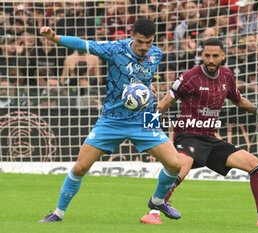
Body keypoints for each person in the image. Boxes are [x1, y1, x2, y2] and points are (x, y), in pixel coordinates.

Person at [39, 18, 182, 222]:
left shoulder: (156, 54)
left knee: (175, 164)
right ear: (132, 36)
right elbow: (83, 44)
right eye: (140, 41)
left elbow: (144, 77)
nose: (144, 47)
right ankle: (57, 213)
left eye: (148, 42)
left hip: (144, 118)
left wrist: (146, 88)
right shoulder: (116, 49)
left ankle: (158, 202)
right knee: (80, 167)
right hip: (111, 119)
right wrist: (55, 38)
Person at [140, 38, 258, 228]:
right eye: (207, 56)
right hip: (188, 135)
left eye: (215, 56)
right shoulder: (189, 77)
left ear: (223, 56)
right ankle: (153, 212)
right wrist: (148, 129)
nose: (210, 60)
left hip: (210, 139)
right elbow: (164, 103)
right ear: (202, 55)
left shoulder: (227, 76)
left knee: (256, 166)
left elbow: (238, 99)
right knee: (180, 167)